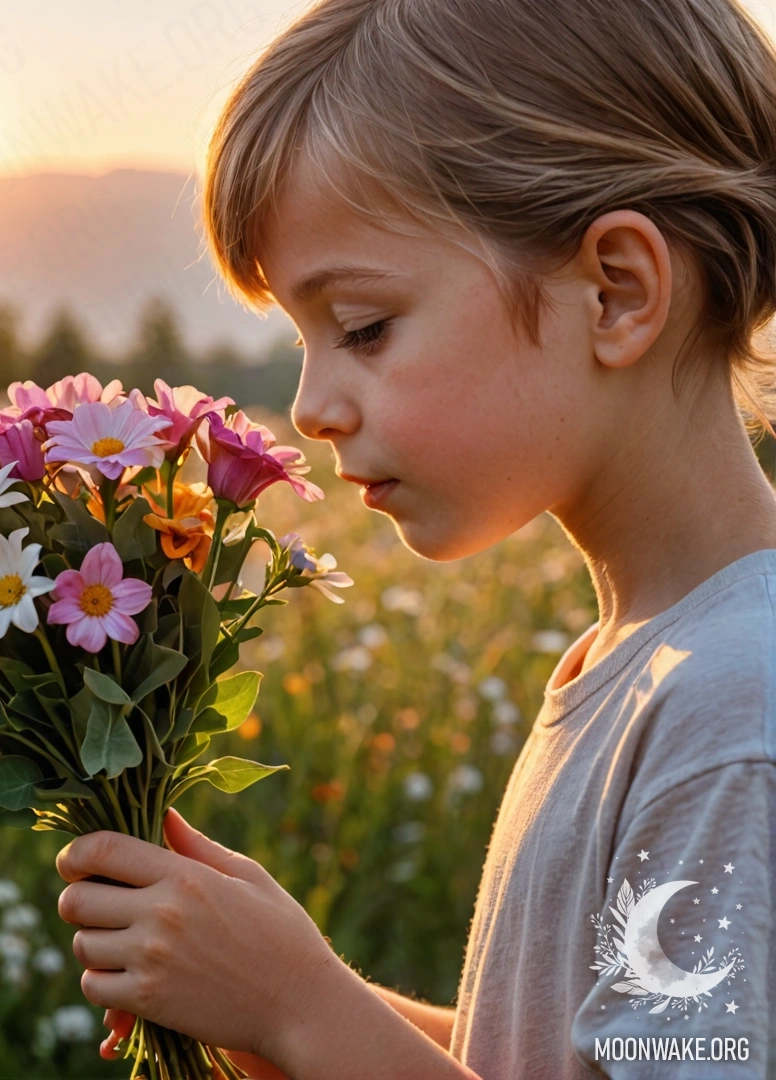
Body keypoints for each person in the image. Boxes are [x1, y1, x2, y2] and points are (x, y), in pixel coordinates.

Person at [55, 0, 776, 1075]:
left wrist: (301, 1007)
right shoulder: (648, 661)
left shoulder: (731, 708)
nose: (308, 407)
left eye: (363, 327)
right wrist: (274, 1001)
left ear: (616, 293)